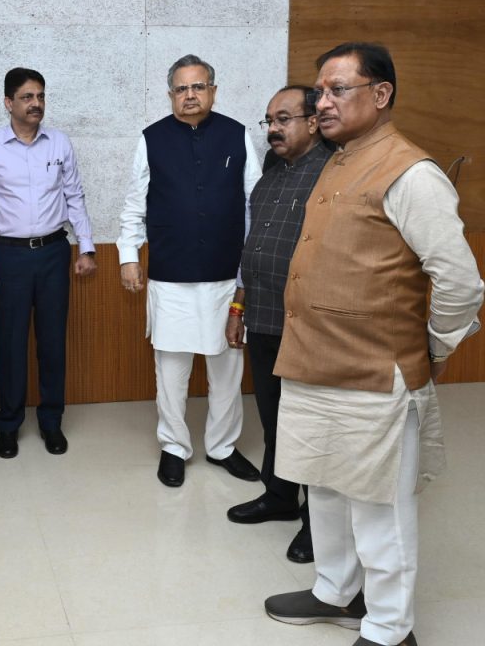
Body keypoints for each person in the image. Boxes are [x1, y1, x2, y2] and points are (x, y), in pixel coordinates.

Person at [264, 43, 483, 646]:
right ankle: (335, 592)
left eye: (338, 90)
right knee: (325, 487)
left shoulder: (411, 173)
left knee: (379, 507)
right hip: (314, 361)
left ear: (381, 94)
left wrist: (434, 349)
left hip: (373, 372)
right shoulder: (338, 160)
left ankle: (390, 627)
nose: (322, 103)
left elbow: (461, 282)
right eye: (319, 92)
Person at [117, 54, 261, 488]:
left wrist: (253, 265)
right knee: (171, 370)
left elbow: (254, 202)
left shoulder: (237, 134)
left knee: (227, 368)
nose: (190, 95)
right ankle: (174, 447)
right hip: (170, 276)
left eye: (198, 87)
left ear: (213, 91)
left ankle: (222, 447)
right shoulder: (152, 138)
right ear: (170, 95)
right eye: (182, 89)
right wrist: (128, 255)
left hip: (227, 276)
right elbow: (134, 203)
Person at [224, 85, 333, 563]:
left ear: (313, 122)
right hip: (264, 315)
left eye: (283, 119)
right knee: (272, 415)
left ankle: (318, 523)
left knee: (308, 424)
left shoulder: (332, 173)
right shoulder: (271, 174)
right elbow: (253, 248)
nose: (273, 129)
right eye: (269, 120)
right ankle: (280, 495)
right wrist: (238, 308)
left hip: (307, 323)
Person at [0, 68, 96, 459]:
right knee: (10, 344)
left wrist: (86, 247)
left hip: (53, 253)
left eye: (40, 96)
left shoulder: (59, 143)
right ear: (8, 102)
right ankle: (8, 424)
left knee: (52, 341)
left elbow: (74, 196)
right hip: (6, 256)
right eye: (27, 97)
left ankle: (51, 421)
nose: (36, 103)